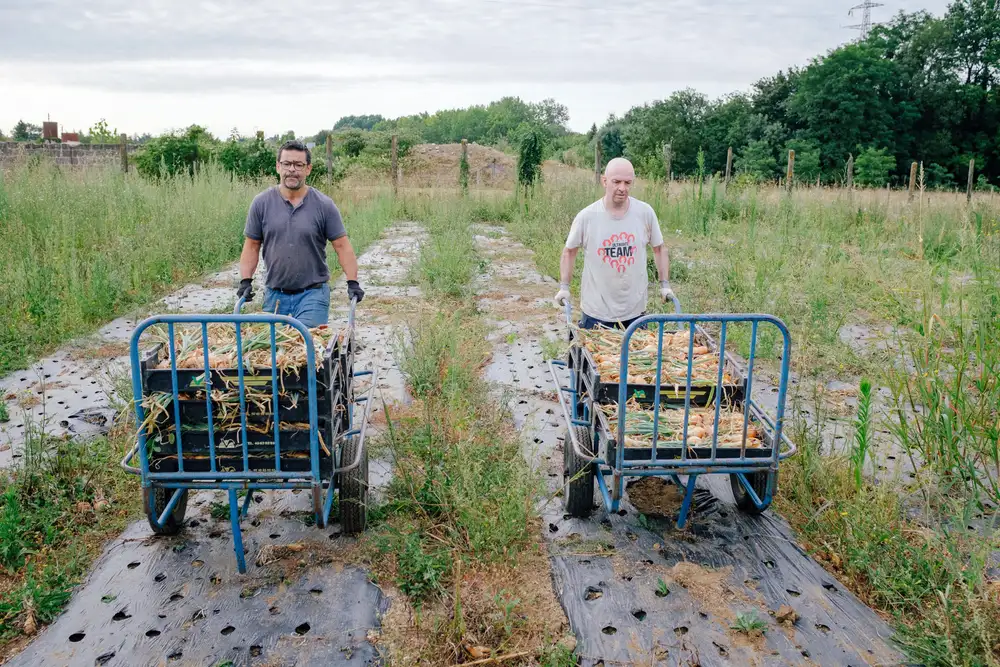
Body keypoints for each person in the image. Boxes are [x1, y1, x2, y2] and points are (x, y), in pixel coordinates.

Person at [237, 140, 365, 327]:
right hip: (275, 295)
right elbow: (252, 245)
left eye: (298, 165)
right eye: (287, 164)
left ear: (308, 169)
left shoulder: (324, 205)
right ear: (278, 166)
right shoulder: (262, 203)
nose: (292, 170)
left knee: (304, 345)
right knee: (274, 351)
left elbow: (342, 246)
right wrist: (245, 280)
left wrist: (352, 282)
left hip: (312, 294)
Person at [554, 157, 673, 329]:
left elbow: (659, 248)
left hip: (635, 311)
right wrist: (564, 286)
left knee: (636, 355)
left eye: (627, 182)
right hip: (597, 311)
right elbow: (569, 251)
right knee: (596, 356)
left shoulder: (644, 213)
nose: (622, 188)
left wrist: (665, 285)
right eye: (616, 182)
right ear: (604, 181)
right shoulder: (587, 216)